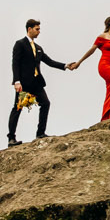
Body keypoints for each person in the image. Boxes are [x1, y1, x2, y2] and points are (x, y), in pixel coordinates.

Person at [8, 18, 76, 146]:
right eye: (37, 29)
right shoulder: (20, 44)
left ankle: (40, 133)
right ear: (29, 29)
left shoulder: (38, 48)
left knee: (45, 103)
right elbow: (15, 63)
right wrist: (16, 81)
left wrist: (66, 65)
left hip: (36, 83)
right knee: (18, 108)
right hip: (24, 83)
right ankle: (11, 138)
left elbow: (49, 61)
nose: (39, 32)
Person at [70, 16, 110, 121]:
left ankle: (109, 115)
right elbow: (92, 50)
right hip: (105, 65)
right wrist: (79, 62)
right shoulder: (102, 37)